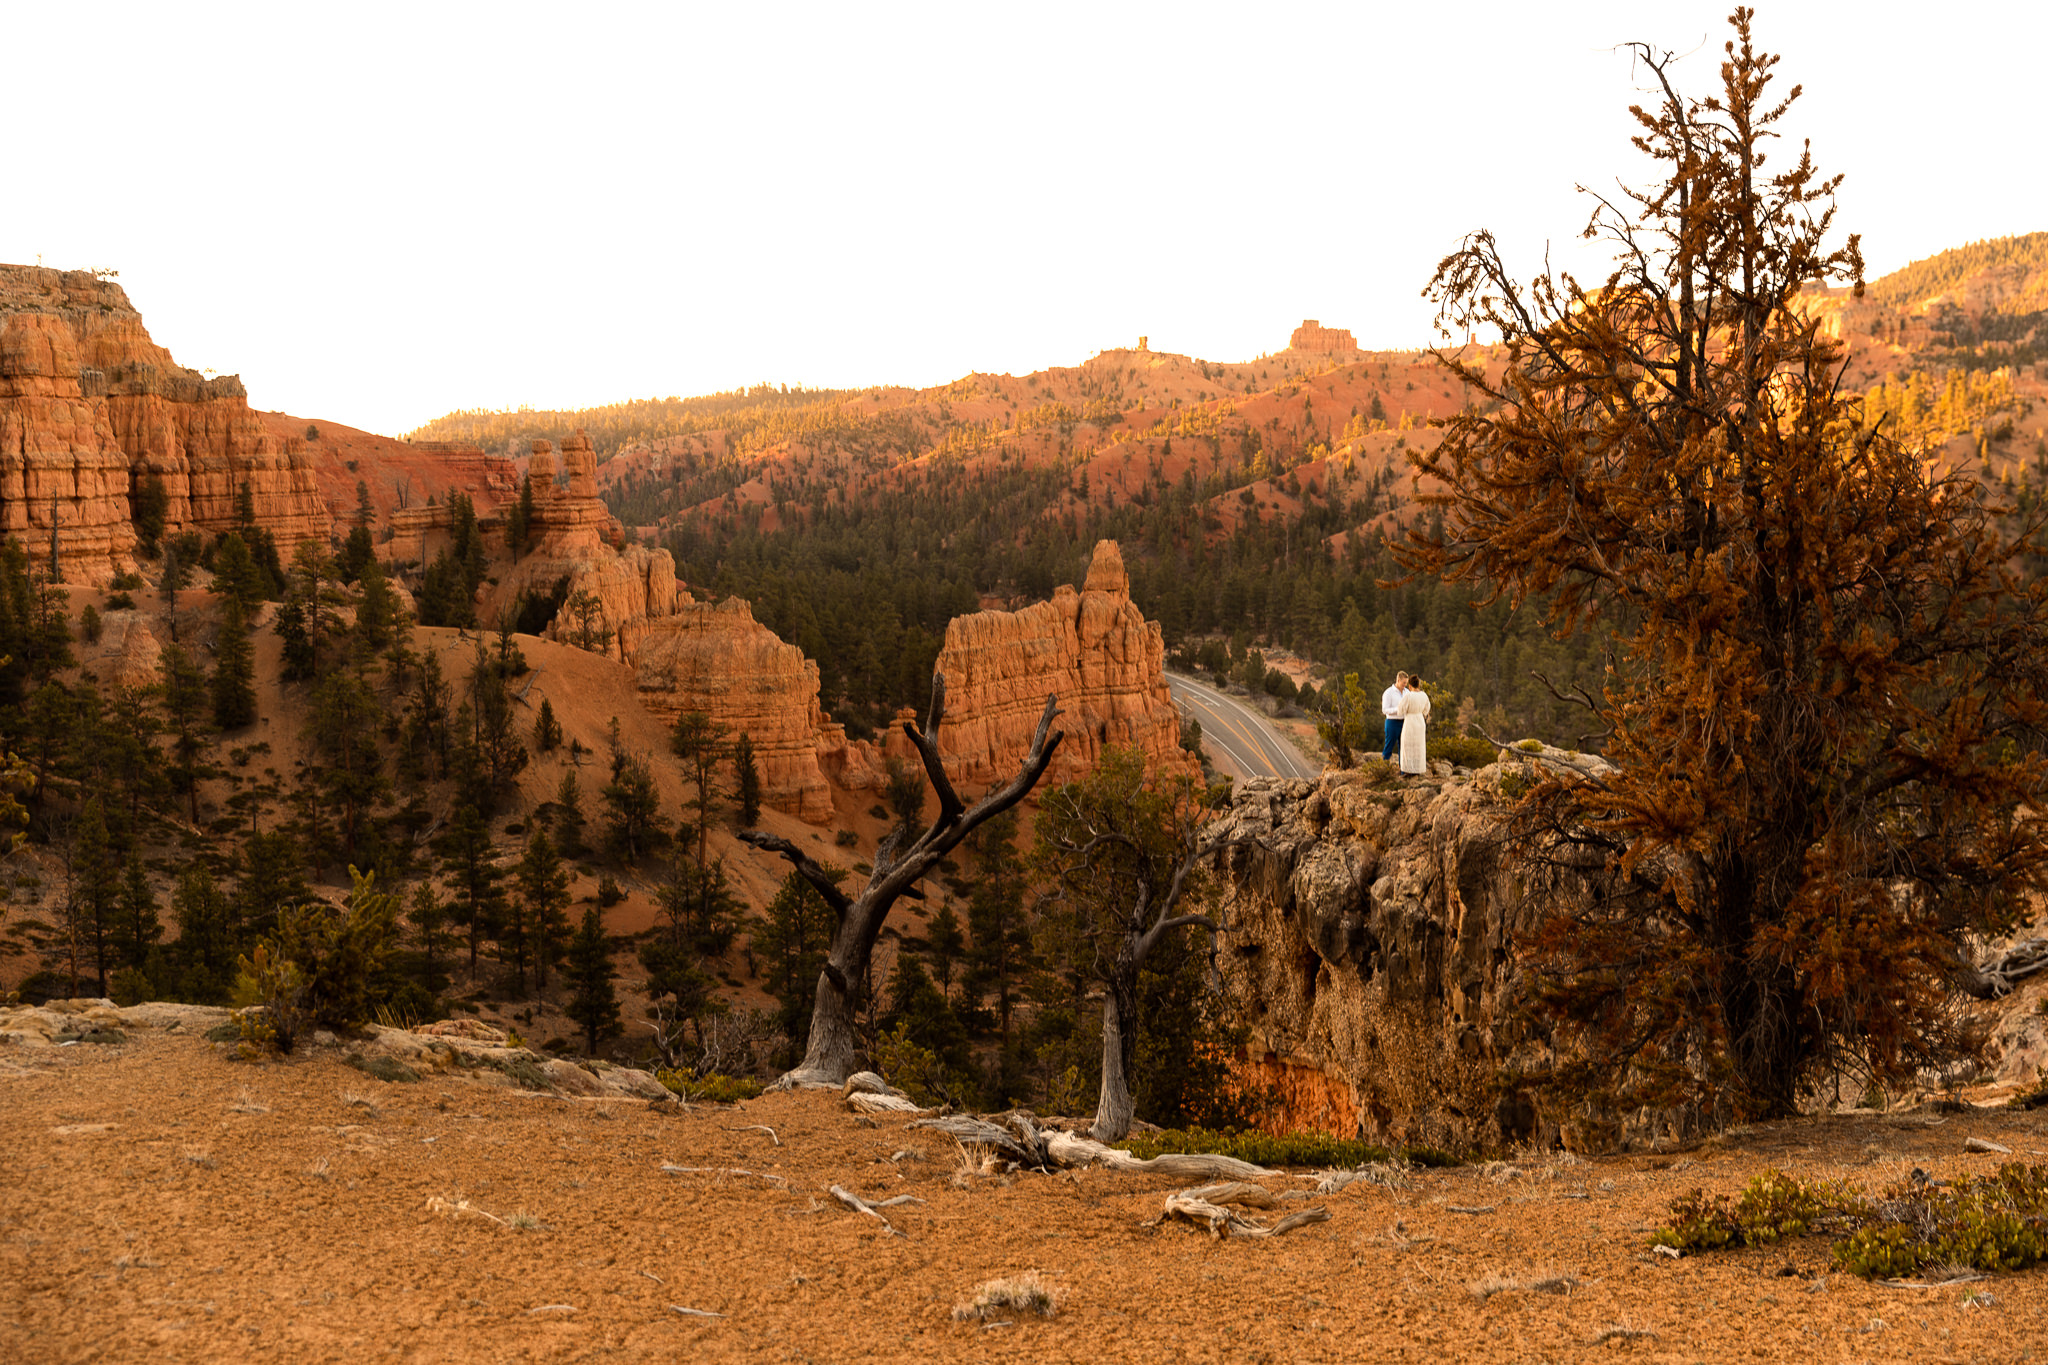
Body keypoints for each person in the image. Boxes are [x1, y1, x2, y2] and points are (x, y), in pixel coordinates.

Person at [1398, 673, 1432, 776]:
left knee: (1407, 745)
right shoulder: (1424, 695)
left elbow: (1400, 710)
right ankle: (1418, 769)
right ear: (1419, 685)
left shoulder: (1408, 696)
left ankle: (1408, 770)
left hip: (1410, 721)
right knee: (1419, 746)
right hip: (1420, 721)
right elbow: (1427, 709)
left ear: (1410, 686)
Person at [1380, 672, 1407, 762]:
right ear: (1398, 680)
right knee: (1389, 747)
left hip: (1404, 722)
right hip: (1392, 723)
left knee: (1403, 748)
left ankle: (1403, 771)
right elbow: (1384, 710)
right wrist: (1398, 709)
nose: (1405, 685)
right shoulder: (1388, 693)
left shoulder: (1407, 692)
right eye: (1403, 683)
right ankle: (1383, 769)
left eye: (1406, 683)